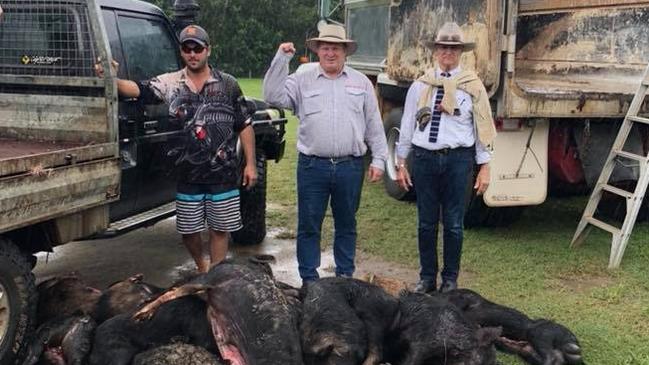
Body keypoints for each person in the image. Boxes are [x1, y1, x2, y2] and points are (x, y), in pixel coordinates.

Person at [95, 25, 257, 273]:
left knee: (220, 229)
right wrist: (111, 77)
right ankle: (203, 267)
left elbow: (244, 124)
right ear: (182, 52)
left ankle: (215, 277)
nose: (193, 54)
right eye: (187, 48)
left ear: (208, 50)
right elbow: (137, 89)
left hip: (222, 173)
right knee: (189, 230)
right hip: (187, 174)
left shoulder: (228, 84)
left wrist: (251, 164)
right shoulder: (170, 83)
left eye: (198, 48)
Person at [263, 24, 388, 285]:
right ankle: (310, 281)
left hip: (350, 167)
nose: (330, 53)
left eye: (336, 48)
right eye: (326, 48)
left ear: (345, 52)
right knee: (309, 225)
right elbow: (272, 95)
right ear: (318, 50)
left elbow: (374, 124)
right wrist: (281, 58)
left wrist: (379, 159)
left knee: (346, 224)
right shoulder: (302, 77)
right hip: (312, 167)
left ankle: (344, 277)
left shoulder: (361, 82)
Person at [396, 22, 497, 293]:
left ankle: (450, 280)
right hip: (425, 159)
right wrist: (401, 161)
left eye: (453, 48)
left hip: (458, 160)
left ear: (461, 52)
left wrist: (484, 167)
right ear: (435, 51)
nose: (447, 53)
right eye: (443, 47)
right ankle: (427, 277)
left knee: (453, 223)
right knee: (426, 222)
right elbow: (407, 124)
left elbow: (482, 128)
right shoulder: (421, 86)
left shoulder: (472, 87)